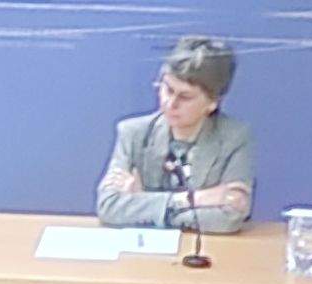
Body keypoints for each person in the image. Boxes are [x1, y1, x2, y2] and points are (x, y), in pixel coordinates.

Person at [96, 36, 254, 234]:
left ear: (213, 102)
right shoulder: (132, 133)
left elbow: (230, 217)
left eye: (185, 97)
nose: (170, 104)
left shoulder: (235, 137)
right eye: (167, 90)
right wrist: (192, 200)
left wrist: (142, 201)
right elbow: (109, 207)